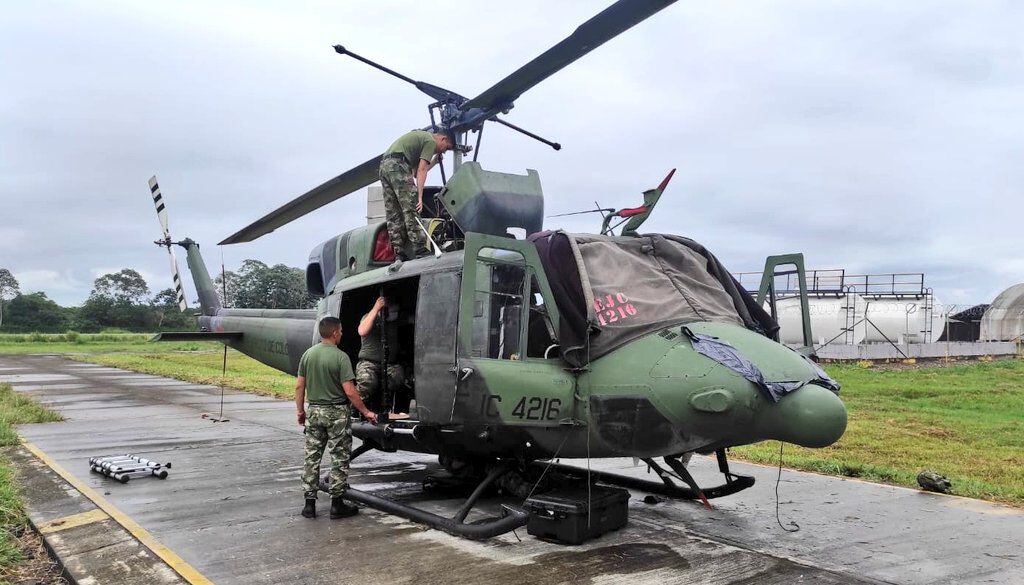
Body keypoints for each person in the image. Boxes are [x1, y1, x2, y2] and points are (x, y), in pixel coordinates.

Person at [295, 316, 378, 519]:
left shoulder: (308, 355)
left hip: (314, 411)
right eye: (340, 331)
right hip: (337, 414)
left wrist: (300, 411)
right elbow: (350, 391)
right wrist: (366, 411)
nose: (341, 334)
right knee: (339, 458)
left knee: (311, 457)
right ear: (334, 333)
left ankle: (309, 505)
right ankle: (337, 504)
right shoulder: (341, 357)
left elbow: (299, 386)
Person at [379, 129, 453, 261]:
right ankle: (420, 249)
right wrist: (419, 196)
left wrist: (435, 161)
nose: (443, 151)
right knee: (411, 207)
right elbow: (421, 170)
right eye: (446, 148)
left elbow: (414, 173)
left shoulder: (419, 141)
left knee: (394, 213)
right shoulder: (430, 141)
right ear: (443, 139)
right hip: (398, 166)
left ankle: (399, 253)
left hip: (385, 167)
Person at [356, 296, 406, 414]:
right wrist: (376, 309)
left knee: (398, 377)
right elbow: (362, 331)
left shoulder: (395, 320)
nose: (395, 312)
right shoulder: (369, 317)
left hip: (390, 363)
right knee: (367, 382)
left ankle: (393, 410)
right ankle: (356, 410)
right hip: (369, 362)